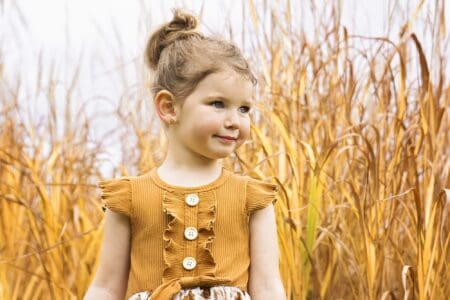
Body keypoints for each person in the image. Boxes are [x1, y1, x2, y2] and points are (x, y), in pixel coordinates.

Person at [84, 8, 285, 300]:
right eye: (218, 103)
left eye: (244, 108)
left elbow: (268, 286)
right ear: (168, 107)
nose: (234, 120)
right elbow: (105, 287)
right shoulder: (130, 197)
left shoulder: (251, 198)